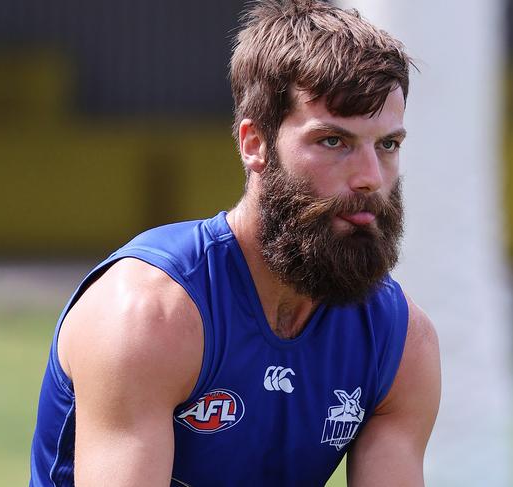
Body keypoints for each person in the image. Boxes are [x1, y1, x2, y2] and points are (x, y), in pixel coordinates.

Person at [29, 1, 441, 485]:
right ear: (254, 143)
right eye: (333, 141)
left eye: (387, 145)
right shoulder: (150, 315)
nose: (371, 178)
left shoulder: (399, 341)